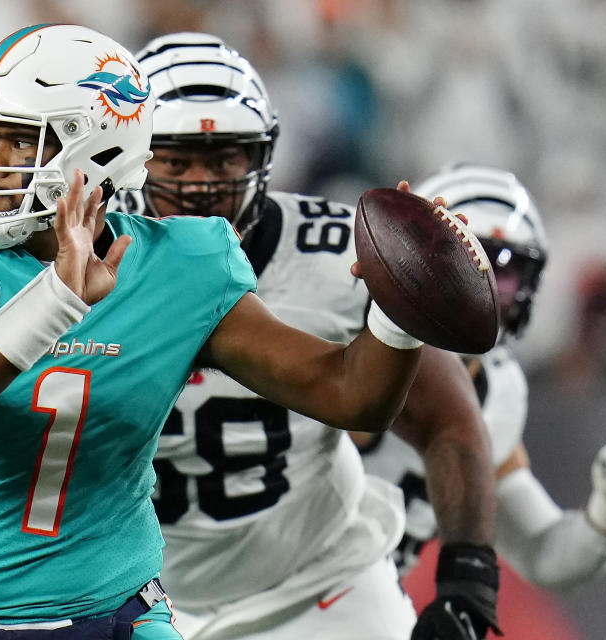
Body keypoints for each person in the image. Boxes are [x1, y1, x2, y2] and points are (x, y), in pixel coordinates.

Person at [0, 24, 477, 640]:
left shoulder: (182, 264)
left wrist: (399, 307)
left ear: (95, 151)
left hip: (114, 616)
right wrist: (57, 299)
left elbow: (349, 394)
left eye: (21, 144)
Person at [115, 33, 500, 640]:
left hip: (320, 585)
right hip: (137, 603)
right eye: (176, 159)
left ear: (261, 158)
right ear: (129, 156)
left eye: (224, 159)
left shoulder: (339, 256)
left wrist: (467, 580)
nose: (201, 184)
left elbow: (445, 417)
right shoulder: (83, 271)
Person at [359, 162, 606, 592]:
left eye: (502, 274)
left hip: (354, 608)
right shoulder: (339, 328)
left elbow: (544, 554)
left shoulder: (496, 391)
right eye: (464, 263)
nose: (481, 292)